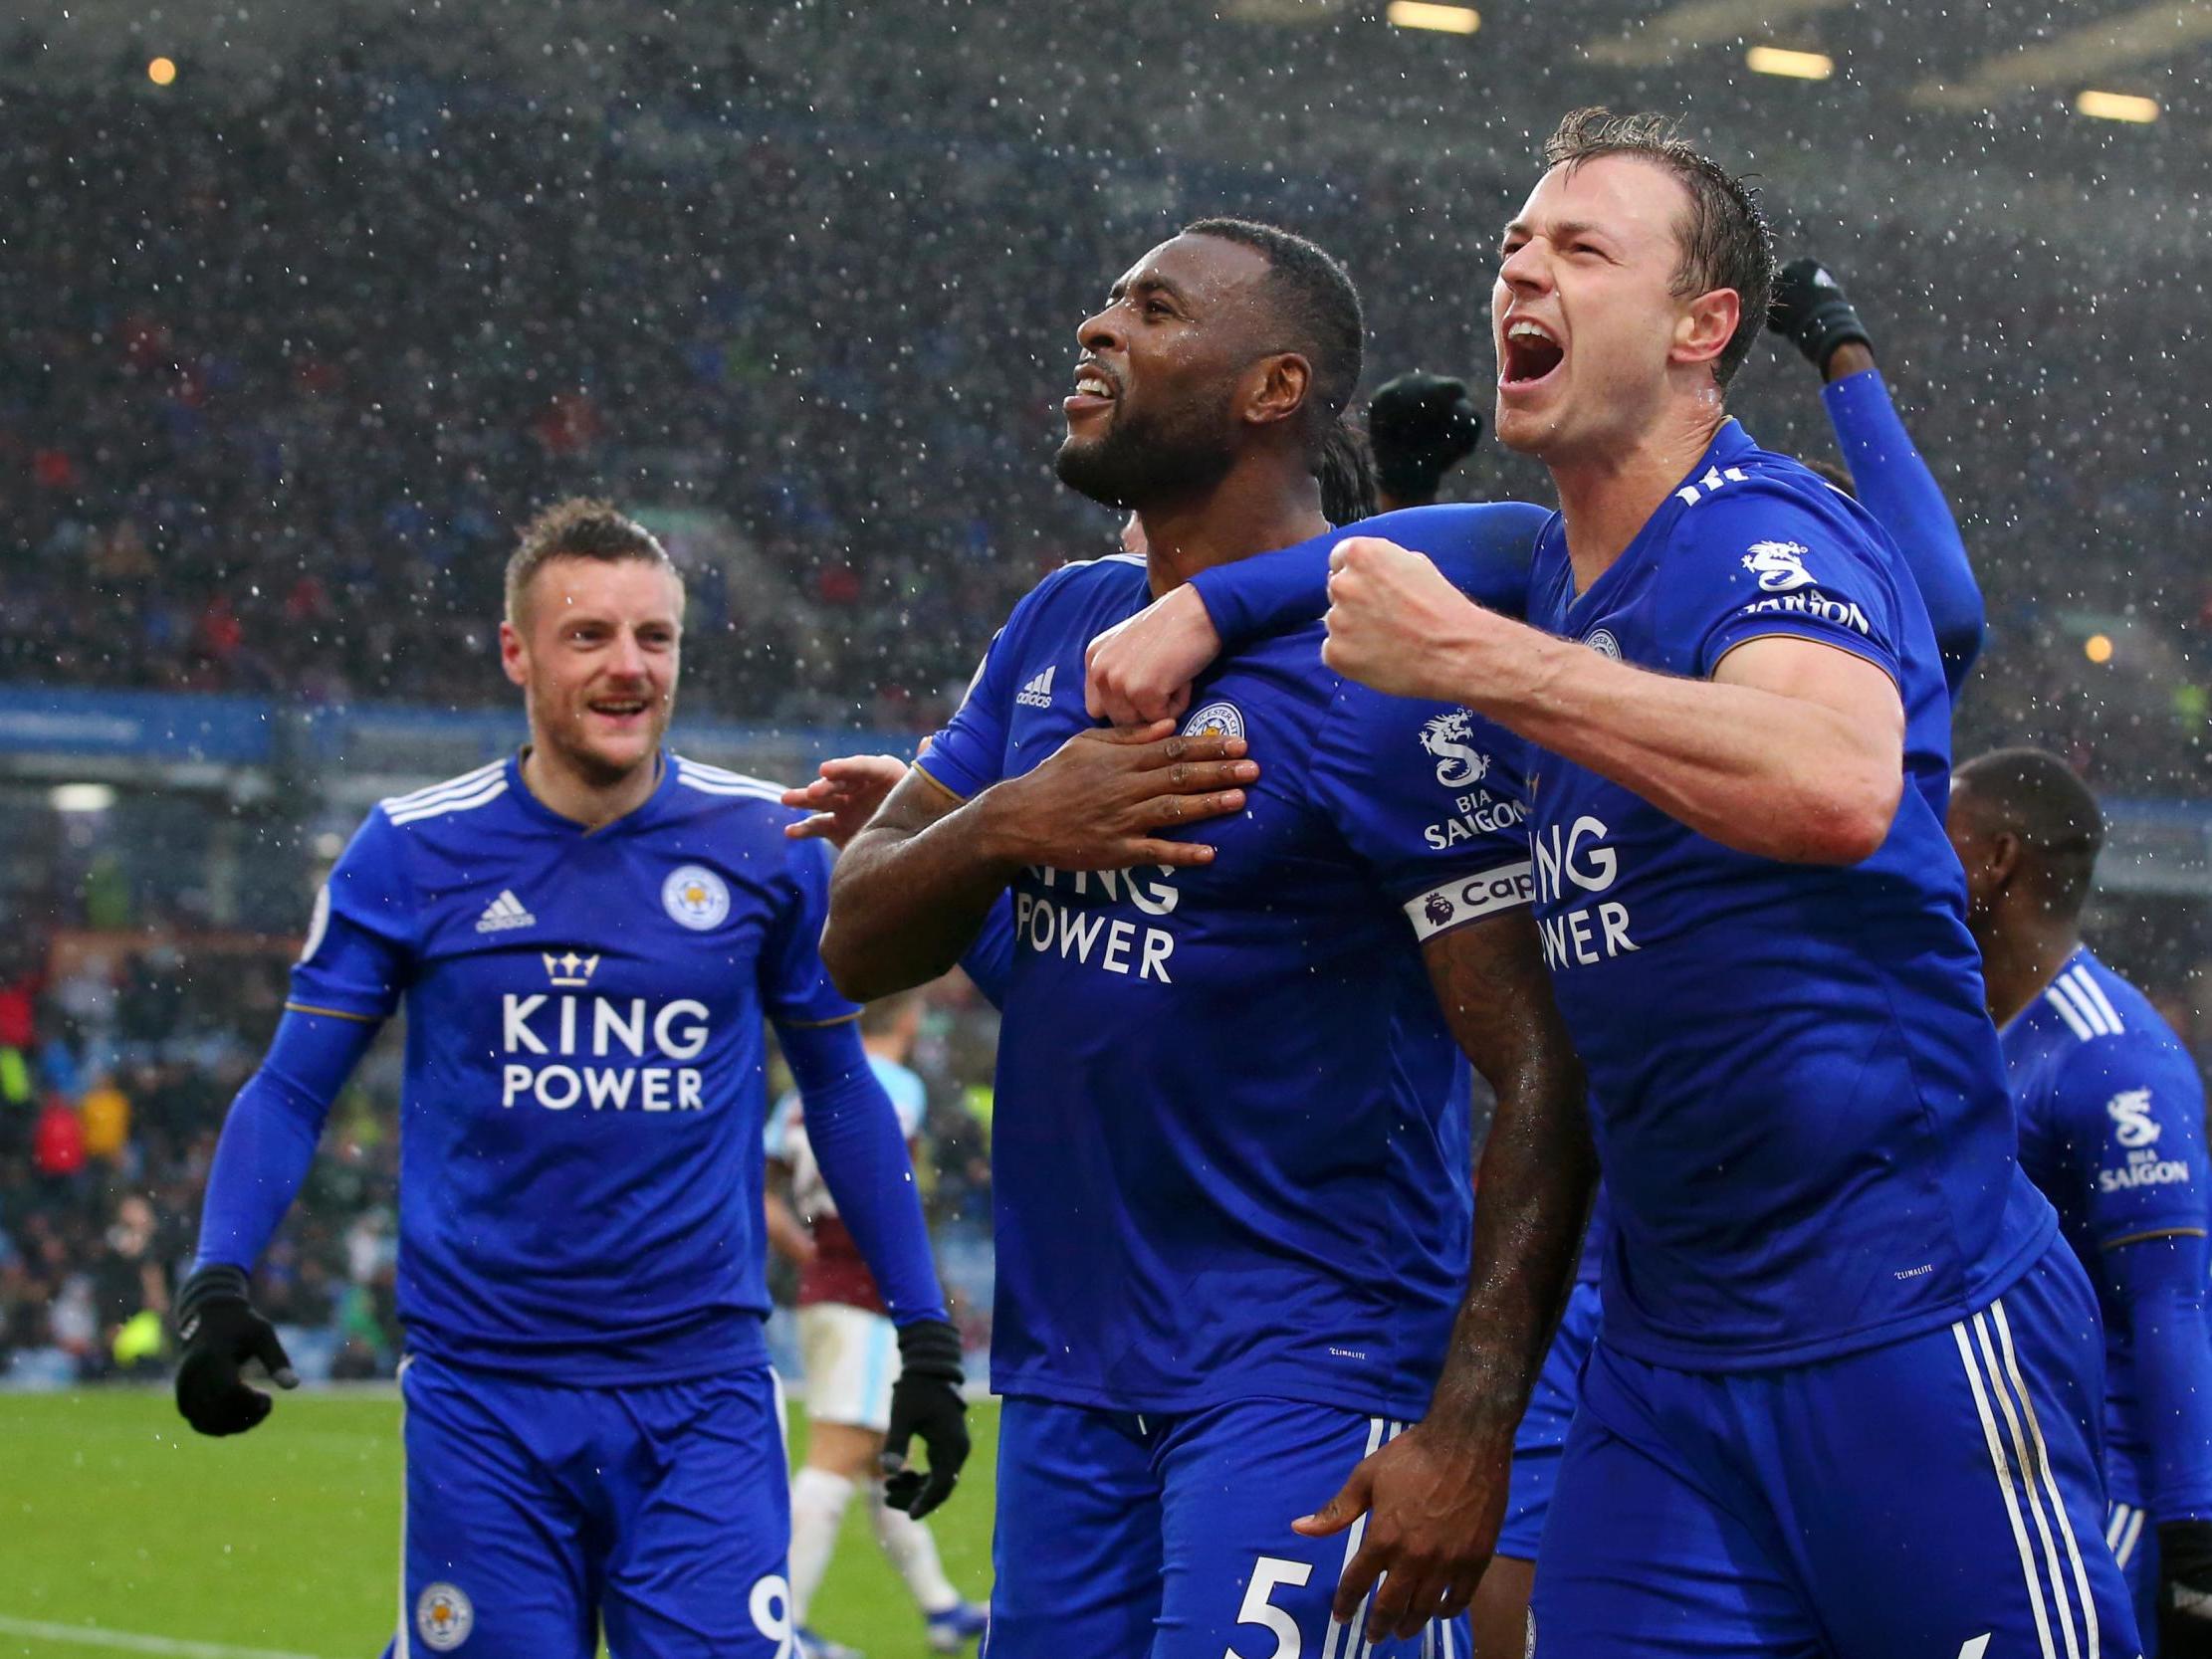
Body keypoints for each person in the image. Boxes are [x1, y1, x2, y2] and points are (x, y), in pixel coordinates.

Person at [1087, 108, 2136, 1656]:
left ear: (1703, 327)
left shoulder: (1764, 533)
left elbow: (1839, 783)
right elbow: (1436, 543)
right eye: (1516, 246)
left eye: (1583, 250)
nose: (1526, 272)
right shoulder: (1547, 556)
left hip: (1906, 1313)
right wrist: (1204, 610)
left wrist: (1475, 663)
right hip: (1668, 1354)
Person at [819, 217, 1596, 1658]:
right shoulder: (1062, 618)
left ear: (1272, 388)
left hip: (1308, 1365)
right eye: (1107, 298)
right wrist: (1001, 824)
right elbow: (850, 940)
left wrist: (1469, 1424)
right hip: (1066, 1376)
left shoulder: (1383, 671)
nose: (1096, 329)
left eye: (1153, 310)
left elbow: (1543, 1059)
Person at [170, 499, 971, 1659]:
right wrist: (217, 1276)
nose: (627, 665)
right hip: (486, 1397)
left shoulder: (766, 841)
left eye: (655, 637)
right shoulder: (411, 849)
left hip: (700, 1394)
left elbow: (840, 1092)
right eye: (587, 634)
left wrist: (926, 1332)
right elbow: (293, 1088)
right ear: (517, 652)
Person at [1948, 747, 2212, 1656]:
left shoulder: (2112, 1057)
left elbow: (2171, 1299)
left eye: (1944, 826)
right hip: (1999, 1465)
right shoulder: (1965, 1023)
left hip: (2105, 1486)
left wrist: (2192, 1532)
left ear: (1998, 859)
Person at [766, 991, 991, 1658]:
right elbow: (882, 1188)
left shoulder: (799, 1092)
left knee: (879, 1461)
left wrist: (813, 1256)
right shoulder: (893, 1086)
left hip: (825, 1281)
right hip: (865, 1291)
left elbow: (768, 1191)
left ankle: (941, 1606)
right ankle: (788, 1621)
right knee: (840, 1452)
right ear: (911, 1018)